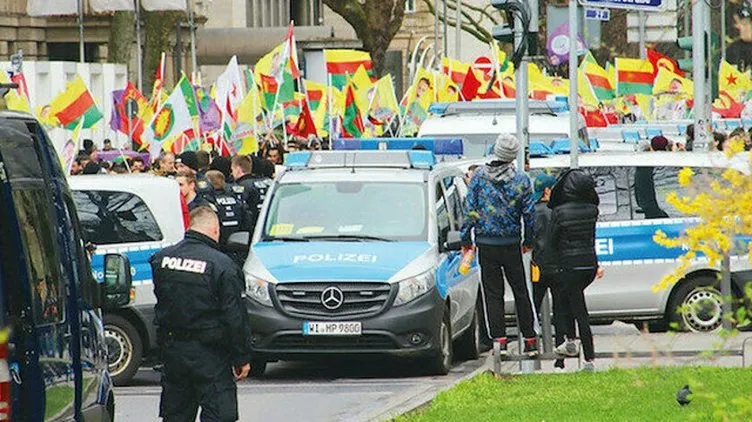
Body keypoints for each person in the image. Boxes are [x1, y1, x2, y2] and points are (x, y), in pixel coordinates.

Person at [150, 206, 252, 421]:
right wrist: (241, 357)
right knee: (219, 414)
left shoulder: (162, 259)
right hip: (210, 354)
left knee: (176, 415)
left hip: (173, 350)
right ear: (215, 230)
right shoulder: (223, 266)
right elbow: (234, 316)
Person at [460, 133, 538, 356]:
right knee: (521, 291)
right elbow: (529, 214)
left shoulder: (479, 177)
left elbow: (470, 211)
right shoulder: (521, 179)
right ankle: (530, 339)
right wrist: (528, 240)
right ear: (513, 156)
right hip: (512, 243)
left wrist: (466, 239)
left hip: (486, 243)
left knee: (493, 294)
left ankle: (500, 341)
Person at [546, 169, 604, 372]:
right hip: (589, 263)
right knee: (569, 298)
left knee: (578, 309)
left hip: (569, 264)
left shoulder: (560, 213)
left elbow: (551, 241)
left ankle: (587, 356)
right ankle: (571, 342)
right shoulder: (592, 210)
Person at [530, 173, 568, 369]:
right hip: (558, 266)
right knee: (560, 310)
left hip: (537, 267)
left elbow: (528, 240)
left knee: (532, 309)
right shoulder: (558, 211)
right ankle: (560, 354)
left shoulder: (532, 212)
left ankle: (531, 350)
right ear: (548, 191)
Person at [204, 170, 246, 247]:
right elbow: (246, 223)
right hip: (238, 242)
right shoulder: (236, 200)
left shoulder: (209, 202)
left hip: (217, 243)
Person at [230, 155, 263, 232]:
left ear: (238, 169)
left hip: (252, 228)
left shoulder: (241, 187)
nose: (232, 173)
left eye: (232, 170)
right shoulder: (263, 182)